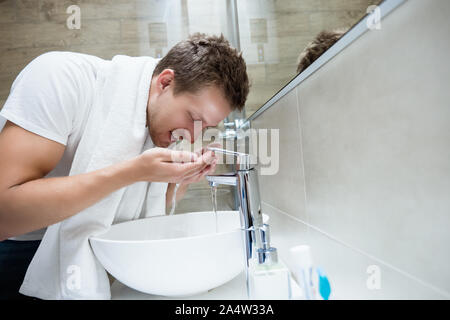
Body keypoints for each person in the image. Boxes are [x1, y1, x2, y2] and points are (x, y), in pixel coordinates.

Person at [0, 33, 249, 299]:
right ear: (165, 82)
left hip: (97, 252)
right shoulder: (59, 78)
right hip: (19, 252)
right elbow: (4, 215)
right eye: (193, 117)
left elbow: (140, 209)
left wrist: (180, 180)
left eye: (205, 127)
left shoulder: (158, 123)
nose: (191, 135)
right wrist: (132, 172)